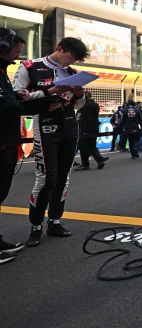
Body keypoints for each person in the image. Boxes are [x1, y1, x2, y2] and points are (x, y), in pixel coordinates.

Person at [13, 37, 90, 247]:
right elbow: (17, 98)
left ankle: (54, 221)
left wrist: (79, 95)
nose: (71, 62)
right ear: (59, 49)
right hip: (45, 125)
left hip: (70, 126)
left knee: (64, 176)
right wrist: (49, 92)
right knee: (46, 178)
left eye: (75, 60)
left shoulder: (73, 73)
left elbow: (78, 106)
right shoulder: (30, 67)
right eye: (70, 57)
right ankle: (36, 225)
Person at [0, 29, 52, 263]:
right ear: (2, 46)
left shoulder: (3, 72)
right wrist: (43, 104)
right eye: (16, 51)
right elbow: (6, 107)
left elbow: (8, 102)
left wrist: (20, 96)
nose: (17, 56)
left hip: (7, 141)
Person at [75, 95, 109, 170]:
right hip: (95, 129)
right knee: (92, 145)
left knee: (83, 147)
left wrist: (84, 129)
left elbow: (84, 119)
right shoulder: (95, 105)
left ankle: (85, 164)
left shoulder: (85, 107)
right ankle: (99, 160)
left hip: (86, 130)